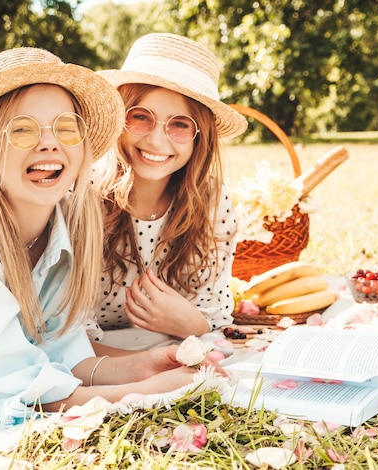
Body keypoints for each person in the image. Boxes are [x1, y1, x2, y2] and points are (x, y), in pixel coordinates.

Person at [0, 47, 209, 425]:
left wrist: (144, 366)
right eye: (23, 129)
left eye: (66, 127)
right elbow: (20, 387)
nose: (49, 143)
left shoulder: (66, 223)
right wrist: (146, 392)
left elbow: (62, 354)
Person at [89, 33, 248, 352]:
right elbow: (61, 339)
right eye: (140, 117)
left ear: (199, 137)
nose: (157, 142)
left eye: (180, 124)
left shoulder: (212, 202)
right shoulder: (82, 199)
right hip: (101, 362)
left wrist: (190, 323)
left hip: (169, 349)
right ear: (120, 119)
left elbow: (213, 317)